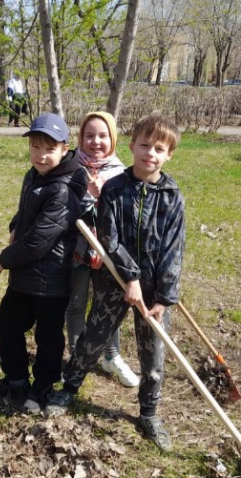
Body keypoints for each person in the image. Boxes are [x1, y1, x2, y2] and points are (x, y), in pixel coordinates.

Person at [46, 114, 185, 454]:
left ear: (169, 155)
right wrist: (130, 278)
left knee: (153, 358)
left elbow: (173, 251)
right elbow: (109, 238)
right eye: (144, 145)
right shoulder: (114, 189)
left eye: (159, 149)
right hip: (114, 281)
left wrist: (163, 297)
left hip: (153, 292)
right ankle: (69, 388)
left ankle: (149, 413)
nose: (150, 153)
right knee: (92, 339)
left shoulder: (172, 197)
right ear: (132, 146)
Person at [0, 113, 87, 413]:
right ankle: (16, 379)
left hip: (51, 279)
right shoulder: (34, 176)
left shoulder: (65, 189)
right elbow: (27, 213)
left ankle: (42, 386)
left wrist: (5, 259)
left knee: (48, 337)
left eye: (49, 149)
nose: (41, 155)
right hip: (25, 274)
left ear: (64, 149)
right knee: (8, 323)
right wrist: (15, 224)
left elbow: (40, 240)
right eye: (35, 147)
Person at [66, 111, 140, 388]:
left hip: (108, 252)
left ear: (113, 139)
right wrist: (88, 198)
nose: (95, 141)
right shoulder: (71, 168)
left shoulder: (121, 173)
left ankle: (111, 355)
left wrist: (102, 197)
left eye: (102, 135)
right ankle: (76, 358)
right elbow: (62, 207)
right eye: (89, 135)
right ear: (80, 138)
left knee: (107, 305)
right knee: (76, 304)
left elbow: (125, 216)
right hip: (76, 248)